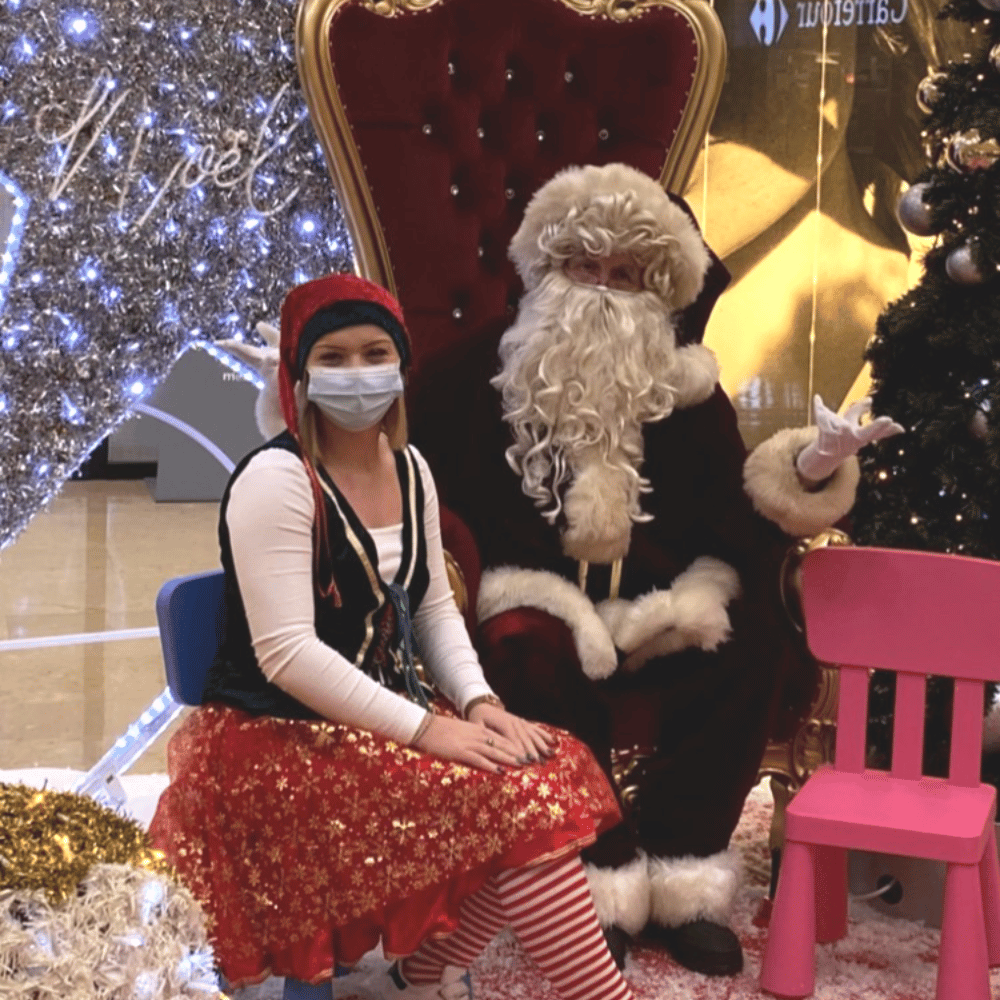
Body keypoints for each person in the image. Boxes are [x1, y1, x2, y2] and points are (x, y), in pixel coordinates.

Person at [408, 163, 903, 977]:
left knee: (748, 642)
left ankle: (682, 876)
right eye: (586, 268)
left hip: (655, 606)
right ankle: (593, 880)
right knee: (531, 651)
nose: (604, 292)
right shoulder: (473, 376)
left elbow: (735, 518)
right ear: (549, 269)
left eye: (626, 275)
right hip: (534, 601)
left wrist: (809, 468)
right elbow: (406, 473)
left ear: (658, 291)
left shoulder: (688, 396)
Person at [148, 272, 640, 1000]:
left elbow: (435, 610)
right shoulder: (277, 479)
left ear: (400, 365)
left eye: (374, 353)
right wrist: (429, 731)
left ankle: (423, 973)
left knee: (547, 766)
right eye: (333, 357)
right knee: (510, 802)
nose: (356, 373)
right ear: (300, 376)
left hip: (376, 712)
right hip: (277, 736)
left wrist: (478, 703)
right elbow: (287, 655)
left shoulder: (410, 469)